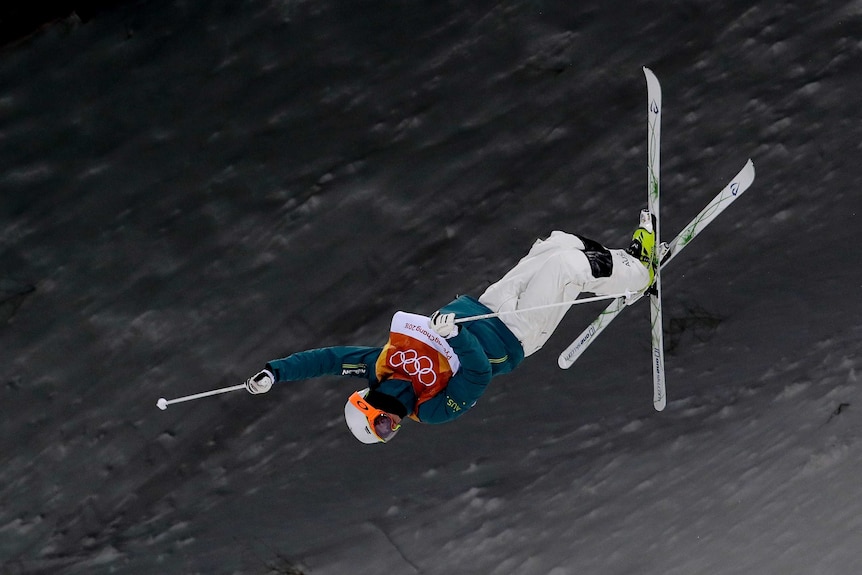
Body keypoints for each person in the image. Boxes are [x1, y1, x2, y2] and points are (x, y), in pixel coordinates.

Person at [244, 211, 656, 444]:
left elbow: (328, 360)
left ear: (369, 404)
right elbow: (476, 377)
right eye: (388, 433)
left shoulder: (379, 366)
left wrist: (274, 372)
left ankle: (627, 264)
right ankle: (642, 274)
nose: (394, 426)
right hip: (516, 335)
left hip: (483, 306)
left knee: (556, 245)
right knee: (566, 269)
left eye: (383, 425)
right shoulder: (432, 411)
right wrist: (454, 338)